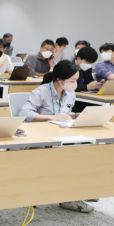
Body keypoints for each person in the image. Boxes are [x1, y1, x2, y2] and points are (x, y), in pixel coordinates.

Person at [18, 60, 93, 214]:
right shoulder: (41, 91)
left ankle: (73, 194)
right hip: (40, 137)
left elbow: (63, 114)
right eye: (72, 80)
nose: (75, 83)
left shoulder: (70, 93)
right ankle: (66, 195)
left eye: (76, 80)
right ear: (60, 80)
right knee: (67, 157)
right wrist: (50, 117)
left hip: (62, 134)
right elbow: (24, 114)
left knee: (84, 152)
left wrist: (77, 115)